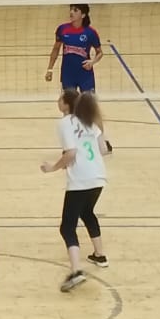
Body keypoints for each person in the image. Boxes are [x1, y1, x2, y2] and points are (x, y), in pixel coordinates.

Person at [40, 89, 110, 291]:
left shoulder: (65, 123)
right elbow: (104, 150)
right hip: (98, 177)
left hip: (81, 180)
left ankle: (76, 271)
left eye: (60, 98)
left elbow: (70, 153)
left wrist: (53, 167)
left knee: (67, 227)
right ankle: (99, 255)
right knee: (87, 212)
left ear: (66, 104)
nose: (57, 100)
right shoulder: (88, 120)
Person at [45, 4, 103, 92]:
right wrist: (50, 69)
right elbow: (56, 49)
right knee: (68, 101)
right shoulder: (62, 29)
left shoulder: (90, 32)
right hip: (68, 74)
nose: (71, 12)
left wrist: (92, 62)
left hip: (85, 74)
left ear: (83, 15)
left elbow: (100, 52)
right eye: (71, 9)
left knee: (88, 100)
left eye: (75, 10)